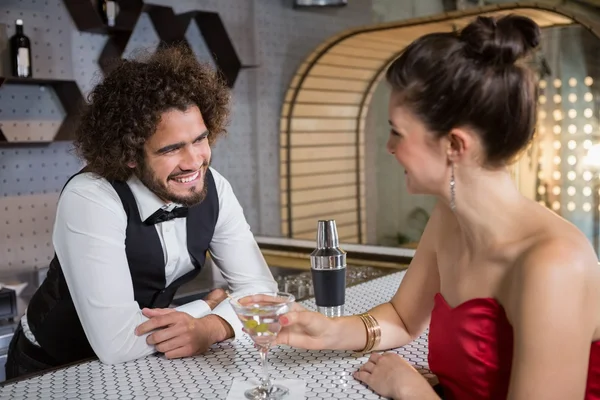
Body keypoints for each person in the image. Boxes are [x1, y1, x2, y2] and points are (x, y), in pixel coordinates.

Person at [276, 14, 600, 400]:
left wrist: (413, 392)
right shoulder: (449, 217)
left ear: (455, 145)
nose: (389, 147)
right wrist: (333, 331)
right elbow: (402, 318)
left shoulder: (554, 265)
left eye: (398, 131)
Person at [5, 46, 278, 379]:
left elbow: (263, 294)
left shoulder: (213, 186)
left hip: (145, 362)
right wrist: (205, 306)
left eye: (200, 139)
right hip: (52, 367)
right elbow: (117, 343)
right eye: (172, 148)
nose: (194, 161)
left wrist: (215, 325)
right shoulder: (91, 197)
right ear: (131, 155)